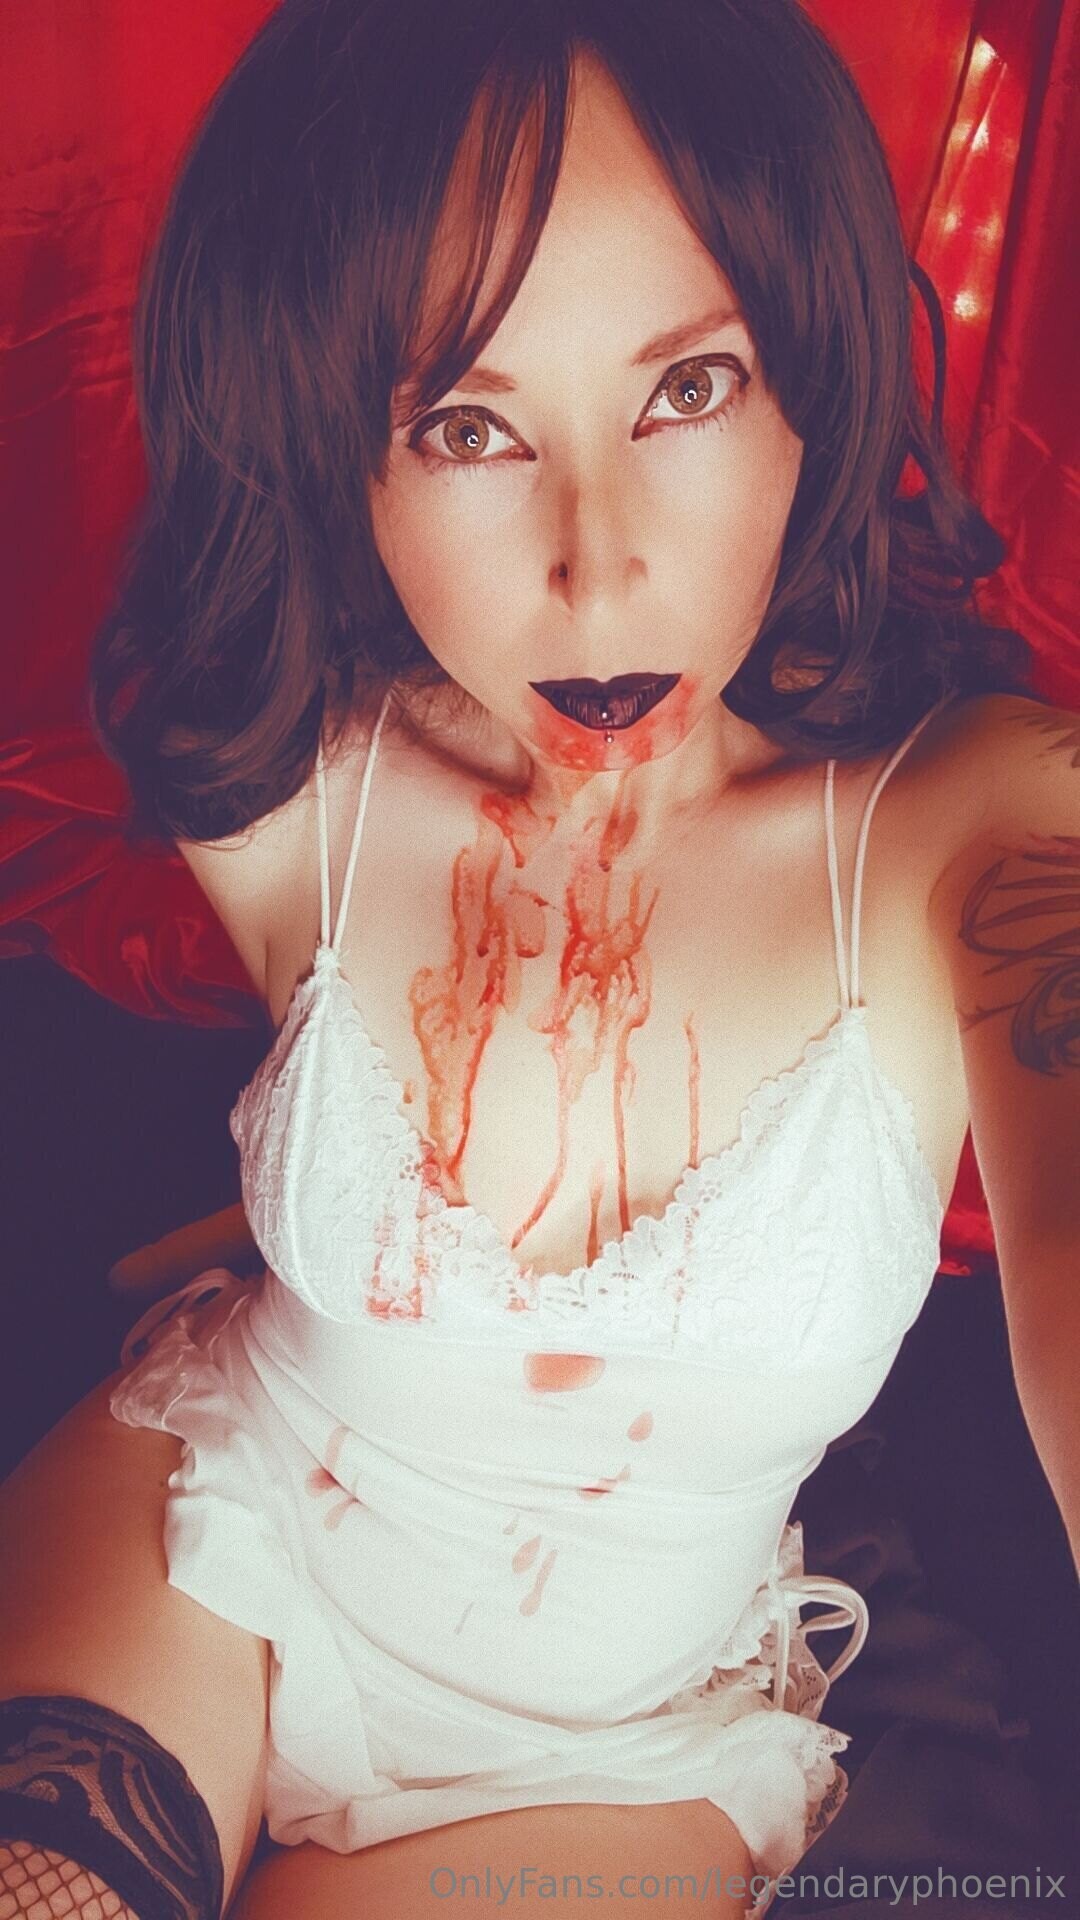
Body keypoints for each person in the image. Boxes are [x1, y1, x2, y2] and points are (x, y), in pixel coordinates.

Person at [0, 1, 1052, 1916]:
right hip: (213, 1531)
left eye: (688, 388)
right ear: (342, 448)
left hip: (615, 1749)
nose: (598, 560)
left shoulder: (973, 826)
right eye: (469, 426)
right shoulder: (291, 791)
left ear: (813, 380)